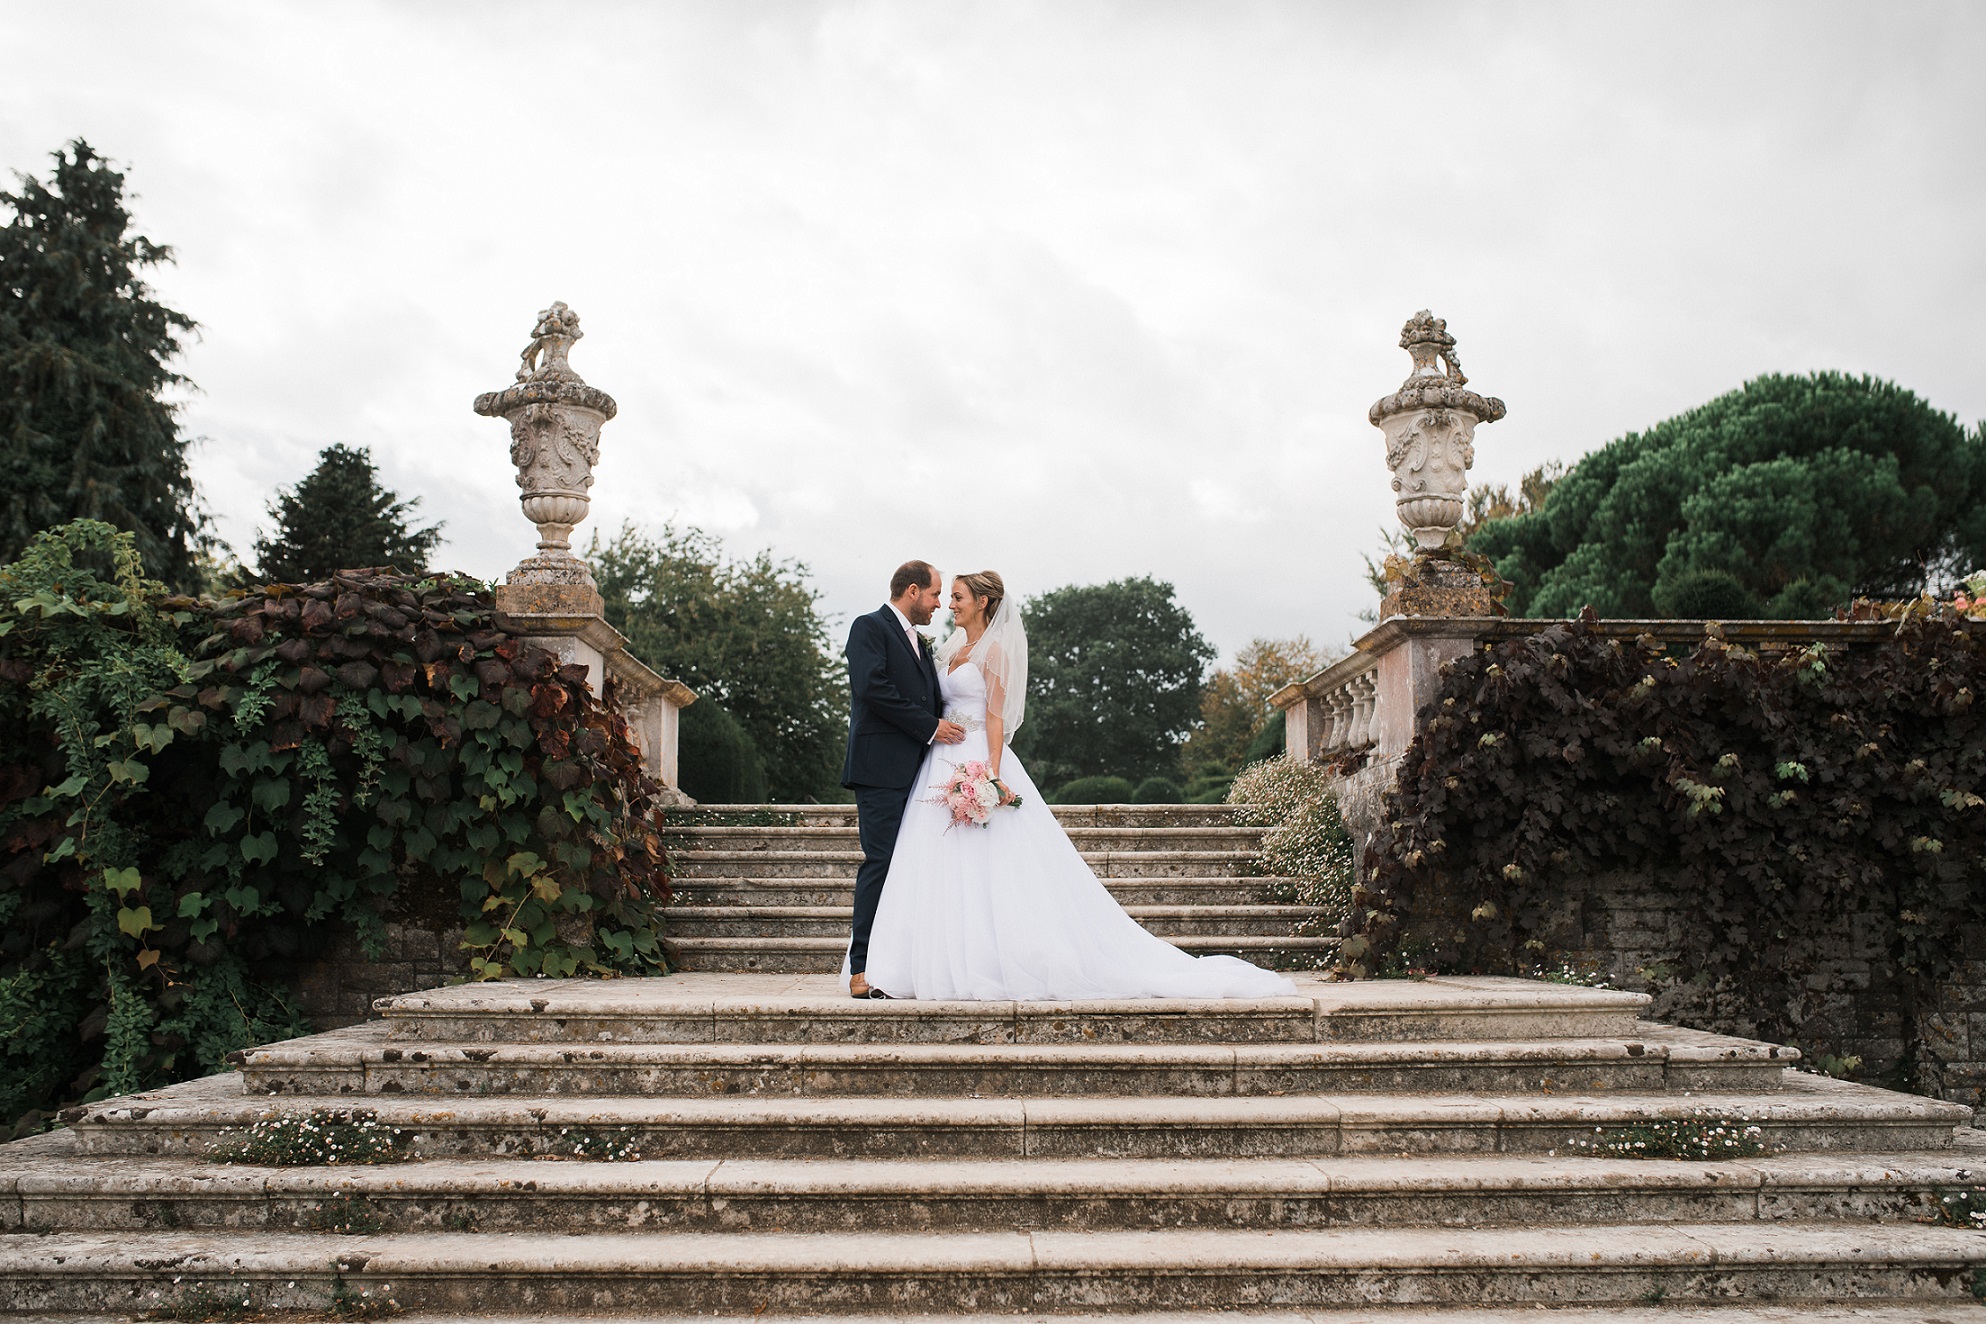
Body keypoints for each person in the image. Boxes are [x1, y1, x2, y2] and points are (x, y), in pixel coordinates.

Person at [862, 571, 1295, 1001]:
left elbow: (995, 718)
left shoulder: (996, 652)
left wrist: (989, 774)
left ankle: (989, 960)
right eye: (946, 596)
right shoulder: (948, 648)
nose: (949, 604)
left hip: (975, 756)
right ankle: (924, 961)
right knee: (933, 861)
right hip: (939, 760)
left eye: (956, 597)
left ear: (982, 603)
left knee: (989, 864)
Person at [840, 560, 966, 999]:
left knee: (912, 868)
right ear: (912, 591)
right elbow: (873, 688)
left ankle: (902, 966)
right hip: (880, 769)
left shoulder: (920, 642)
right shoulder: (868, 628)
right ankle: (861, 968)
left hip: (920, 771)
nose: (938, 605)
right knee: (881, 863)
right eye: (934, 595)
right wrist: (931, 726)